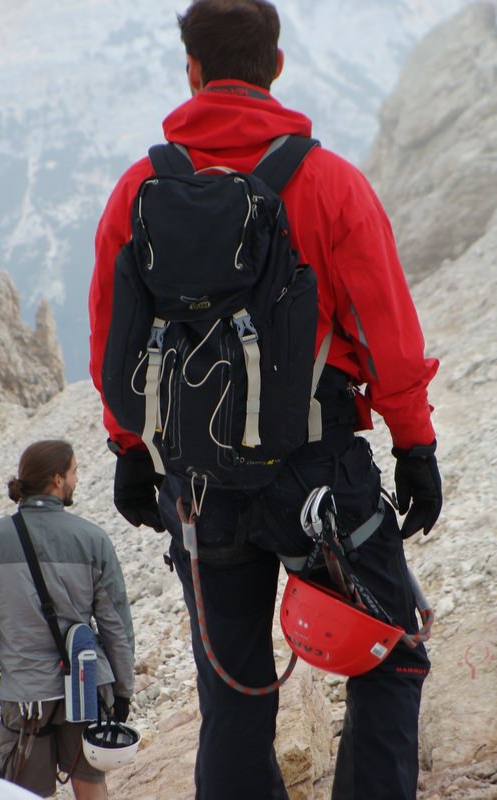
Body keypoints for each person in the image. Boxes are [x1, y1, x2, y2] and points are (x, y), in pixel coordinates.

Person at [88, 2, 443, 798]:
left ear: (193, 71)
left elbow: (112, 337)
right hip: (318, 464)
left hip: (198, 478)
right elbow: (386, 330)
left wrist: (128, 450)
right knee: (391, 650)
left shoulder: (139, 190)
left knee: (235, 695)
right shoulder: (328, 182)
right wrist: (414, 447)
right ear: (276, 66)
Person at [0, 440, 135, 800]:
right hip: (85, 689)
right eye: (73, 472)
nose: (76, 479)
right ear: (57, 480)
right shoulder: (93, 539)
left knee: (25, 792)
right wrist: (122, 689)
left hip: (25, 697)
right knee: (90, 782)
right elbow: (116, 623)